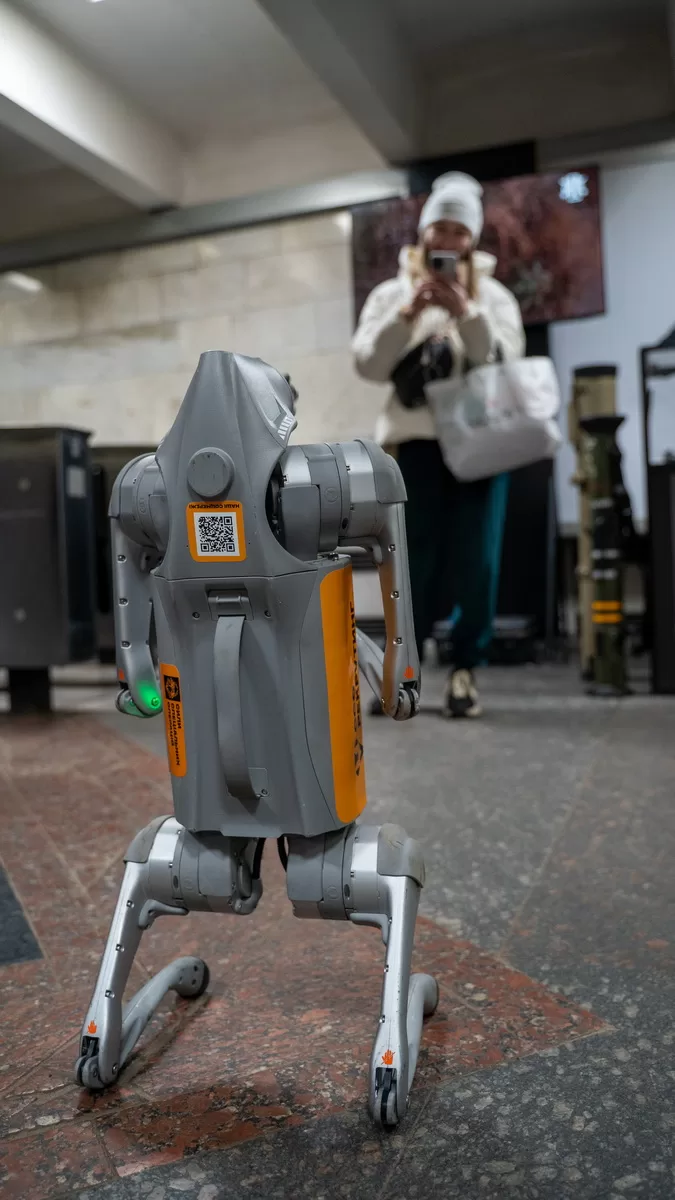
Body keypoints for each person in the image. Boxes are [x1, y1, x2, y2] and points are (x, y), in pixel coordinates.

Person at [352, 172, 525, 718]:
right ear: (424, 231)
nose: (448, 239)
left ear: (472, 239)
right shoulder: (391, 294)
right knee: (411, 560)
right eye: (440, 227)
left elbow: (504, 362)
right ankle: (405, 666)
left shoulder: (493, 298)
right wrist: (409, 314)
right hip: (416, 446)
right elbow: (367, 364)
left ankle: (466, 669)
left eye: (459, 230)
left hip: (480, 442)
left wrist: (466, 313)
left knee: (478, 559)